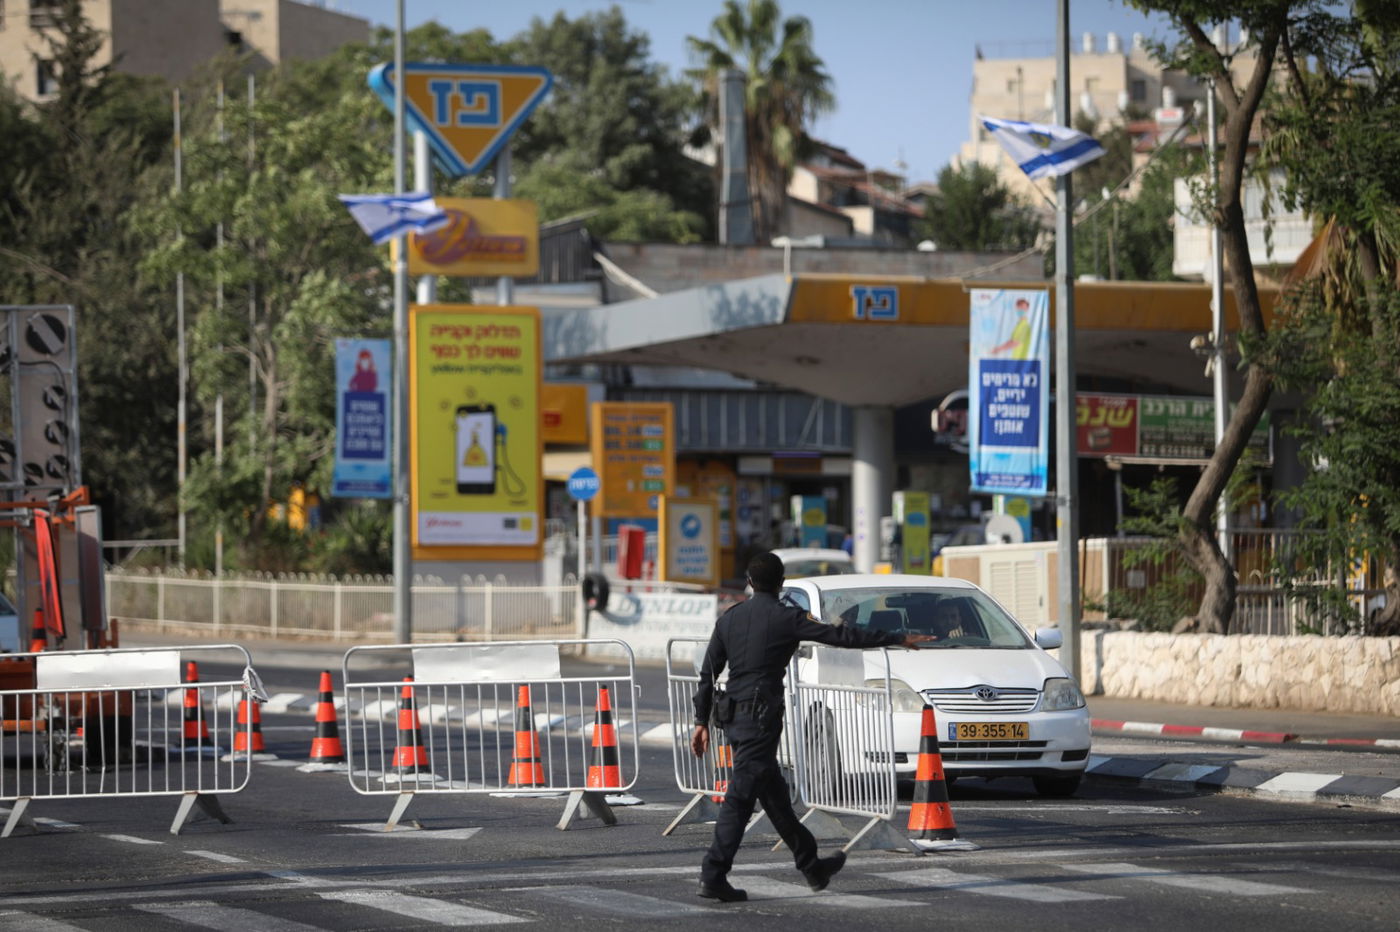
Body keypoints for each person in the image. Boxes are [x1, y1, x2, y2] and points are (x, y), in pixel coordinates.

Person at [690, 551, 934, 903]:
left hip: (733, 720)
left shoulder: (729, 619)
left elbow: (708, 672)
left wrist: (701, 721)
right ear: (781, 583)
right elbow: (841, 636)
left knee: (774, 797)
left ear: (748, 581)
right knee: (740, 799)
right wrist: (896, 637)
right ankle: (712, 874)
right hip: (760, 720)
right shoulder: (786, 617)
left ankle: (811, 865)